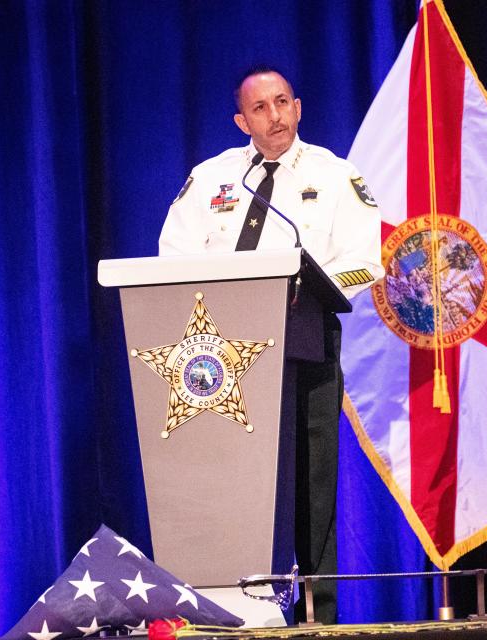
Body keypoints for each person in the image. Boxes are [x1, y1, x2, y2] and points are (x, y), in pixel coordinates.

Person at [159, 66, 384, 623]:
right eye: (260, 108)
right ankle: (230, 610)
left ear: (299, 107)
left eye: (283, 102)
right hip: (220, 357)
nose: (275, 115)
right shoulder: (213, 178)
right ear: (242, 119)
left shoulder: (335, 175)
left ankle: (317, 616)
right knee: (229, 482)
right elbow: (172, 254)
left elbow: (366, 264)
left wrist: (310, 287)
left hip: (304, 341)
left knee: (311, 483)